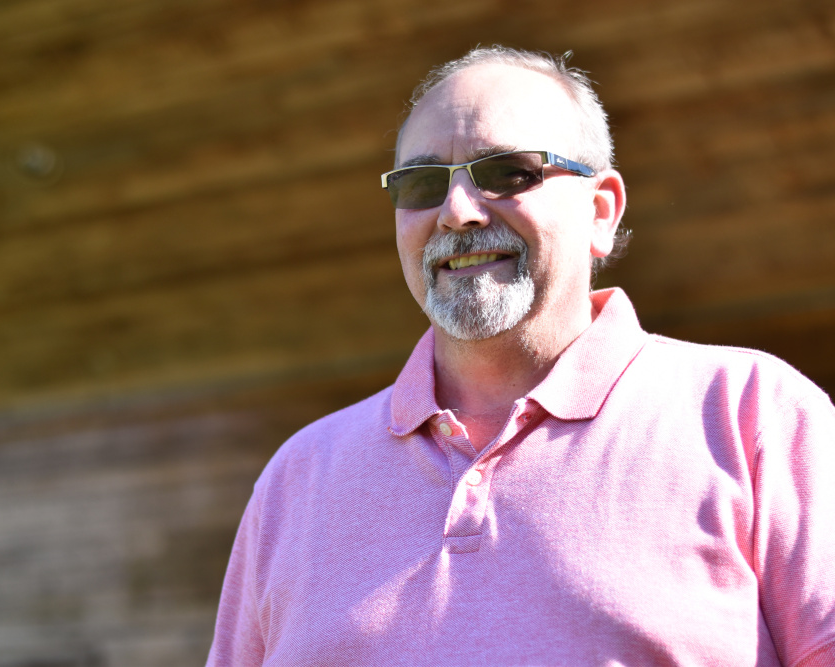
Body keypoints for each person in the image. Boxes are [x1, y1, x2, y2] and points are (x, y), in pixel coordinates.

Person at [206, 46, 835, 666]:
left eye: (508, 173)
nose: (456, 211)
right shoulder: (298, 477)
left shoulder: (752, 413)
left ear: (600, 212)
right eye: (422, 184)